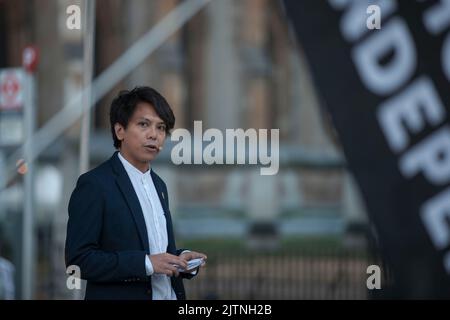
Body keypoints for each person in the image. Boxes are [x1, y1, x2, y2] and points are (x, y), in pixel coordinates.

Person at [65, 86, 207, 300]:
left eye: (161, 128)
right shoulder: (94, 184)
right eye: (144, 124)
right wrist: (146, 263)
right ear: (119, 130)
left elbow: (156, 249)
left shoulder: (159, 185)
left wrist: (181, 258)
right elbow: (78, 262)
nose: (154, 135)